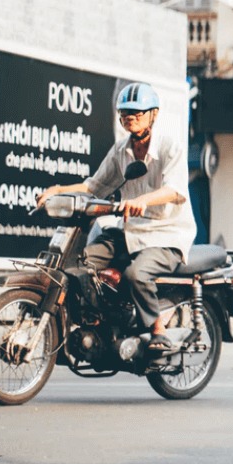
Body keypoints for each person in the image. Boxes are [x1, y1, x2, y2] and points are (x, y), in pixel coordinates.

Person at [36, 82, 196, 352]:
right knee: (82, 261)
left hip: (167, 234)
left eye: (137, 113)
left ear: (153, 115)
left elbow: (176, 190)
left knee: (136, 274)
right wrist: (58, 190)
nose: (130, 118)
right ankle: (101, 320)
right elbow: (93, 186)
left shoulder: (170, 147)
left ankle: (158, 329)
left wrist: (142, 201)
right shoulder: (121, 151)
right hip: (132, 233)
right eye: (125, 113)